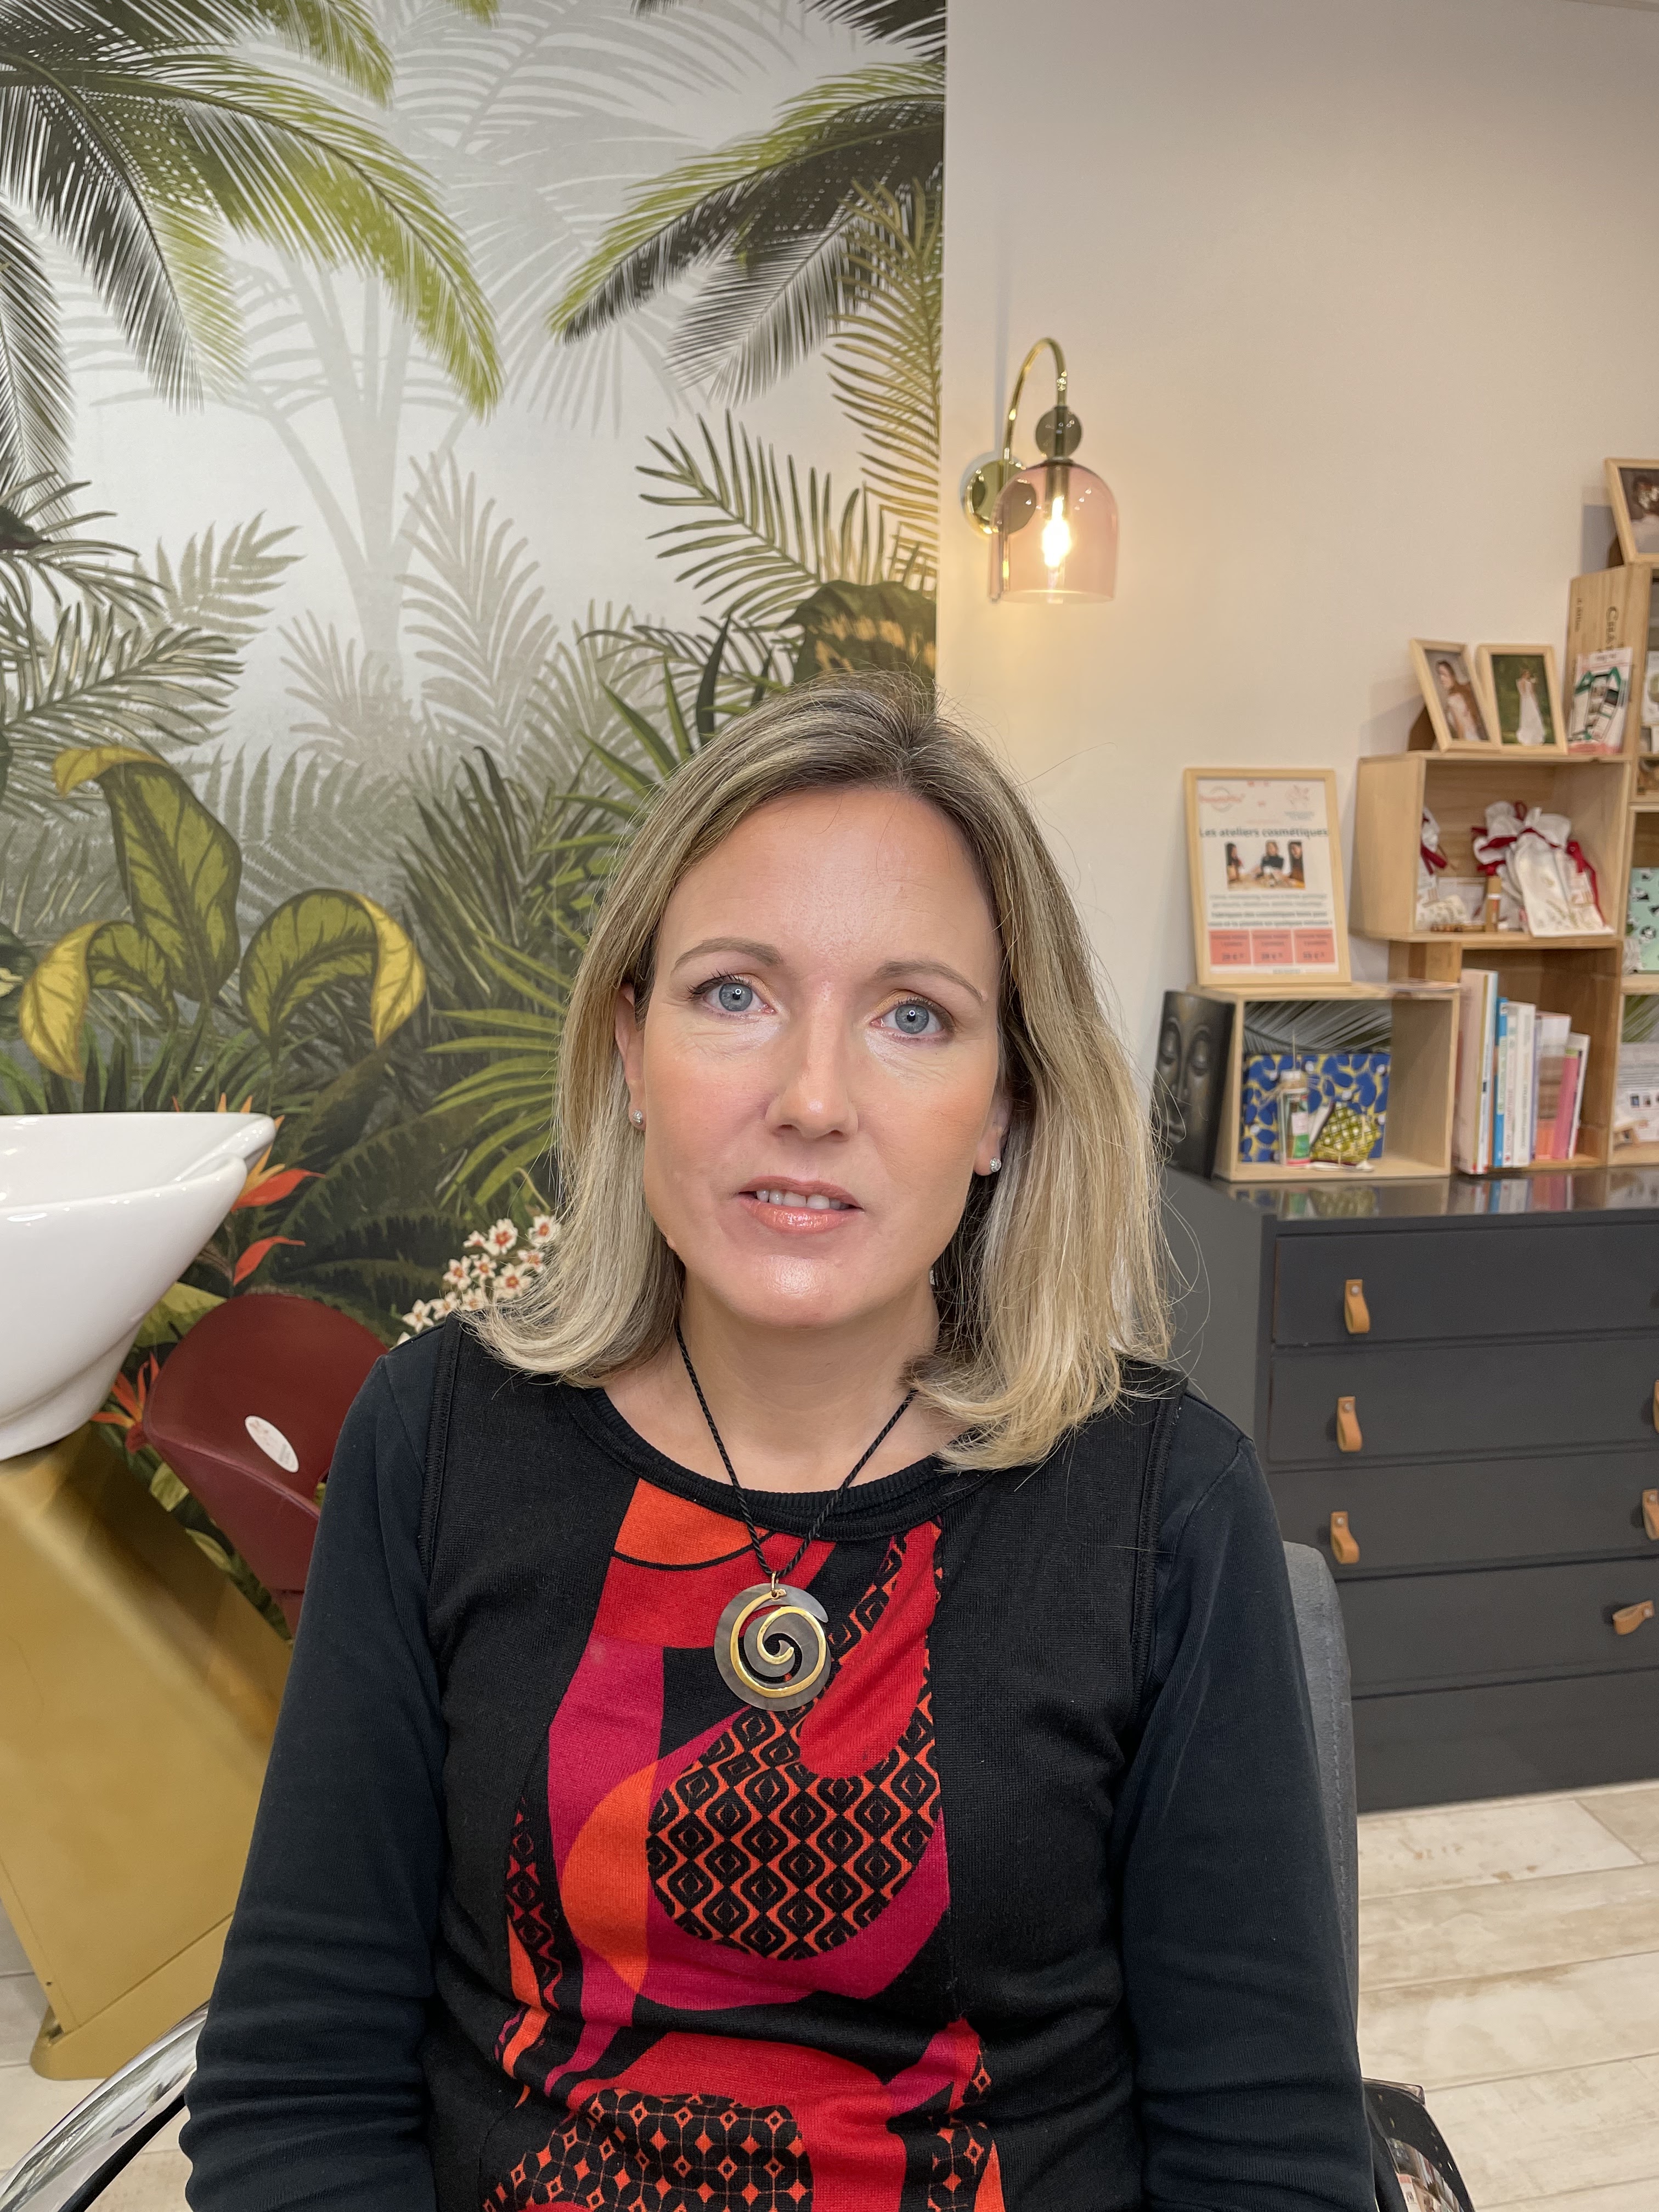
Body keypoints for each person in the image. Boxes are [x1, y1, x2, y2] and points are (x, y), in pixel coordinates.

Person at [181, 678, 1373, 2212]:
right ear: (631, 1046)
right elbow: (297, 2094)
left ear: (1003, 1105)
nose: (812, 1099)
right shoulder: (437, 1438)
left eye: (913, 1016)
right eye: (735, 993)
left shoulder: (1166, 1505)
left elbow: (1268, 2162)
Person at [1432, 656, 1486, 745]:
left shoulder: (1453, 700)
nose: (1441, 679)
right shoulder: (1462, 695)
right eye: (1439, 674)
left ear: (1452, 675)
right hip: (1476, 740)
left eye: (1444, 674)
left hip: (1467, 742)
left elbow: (1461, 730)